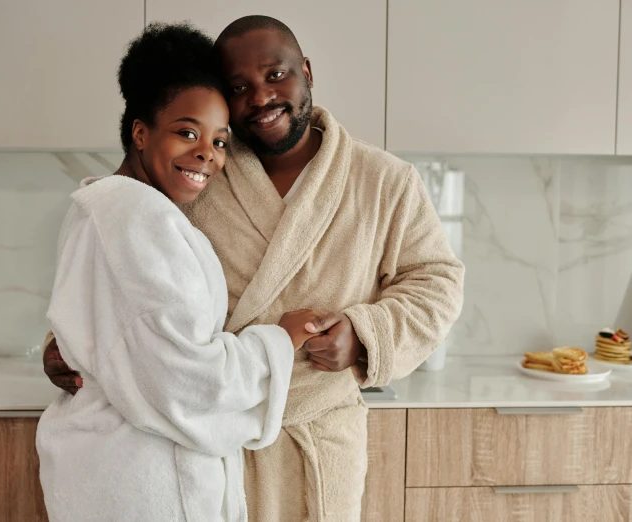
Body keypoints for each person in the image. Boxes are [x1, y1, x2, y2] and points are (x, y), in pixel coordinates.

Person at [44, 15, 465, 522]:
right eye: (239, 87)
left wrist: (364, 333)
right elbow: (125, 265)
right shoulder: (202, 169)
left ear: (306, 70)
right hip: (212, 438)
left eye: (276, 74)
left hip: (318, 440)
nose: (260, 97)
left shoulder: (384, 181)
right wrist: (74, 340)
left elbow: (436, 281)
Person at [35, 23, 329, 522]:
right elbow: (185, 382)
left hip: (114, 472)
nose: (207, 155)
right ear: (141, 132)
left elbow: (129, 334)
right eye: (187, 132)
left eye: (219, 140)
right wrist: (281, 340)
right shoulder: (139, 219)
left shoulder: (108, 207)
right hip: (145, 484)